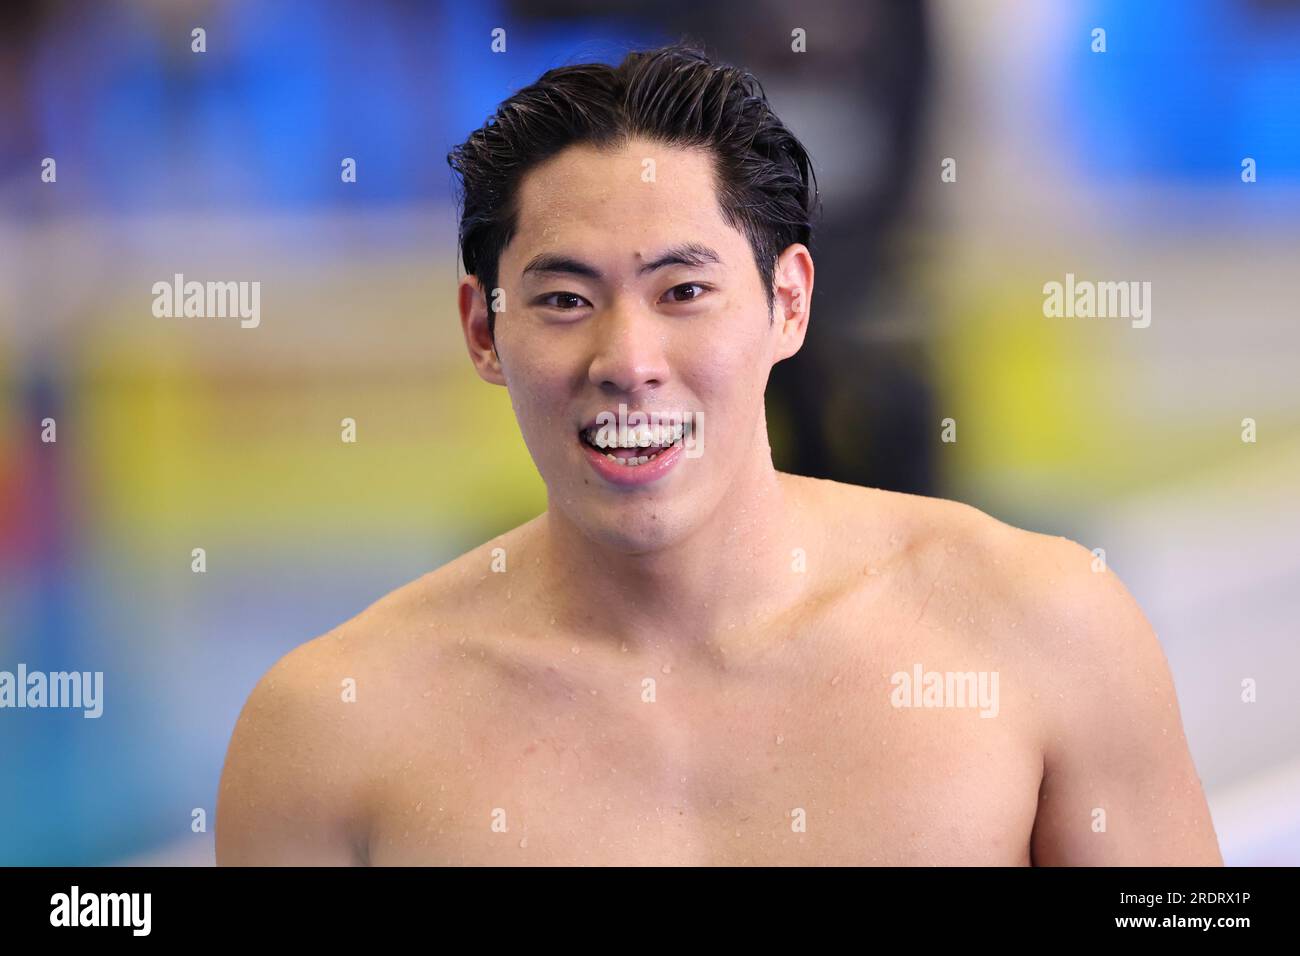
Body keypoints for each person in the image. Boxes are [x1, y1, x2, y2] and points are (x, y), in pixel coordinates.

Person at [216, 43, 1221, 865]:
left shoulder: (1040, 629)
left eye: (683, 291)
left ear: (788, 302)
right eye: (564, 298)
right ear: (483, 330)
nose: (627, 360)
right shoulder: (329, 734)